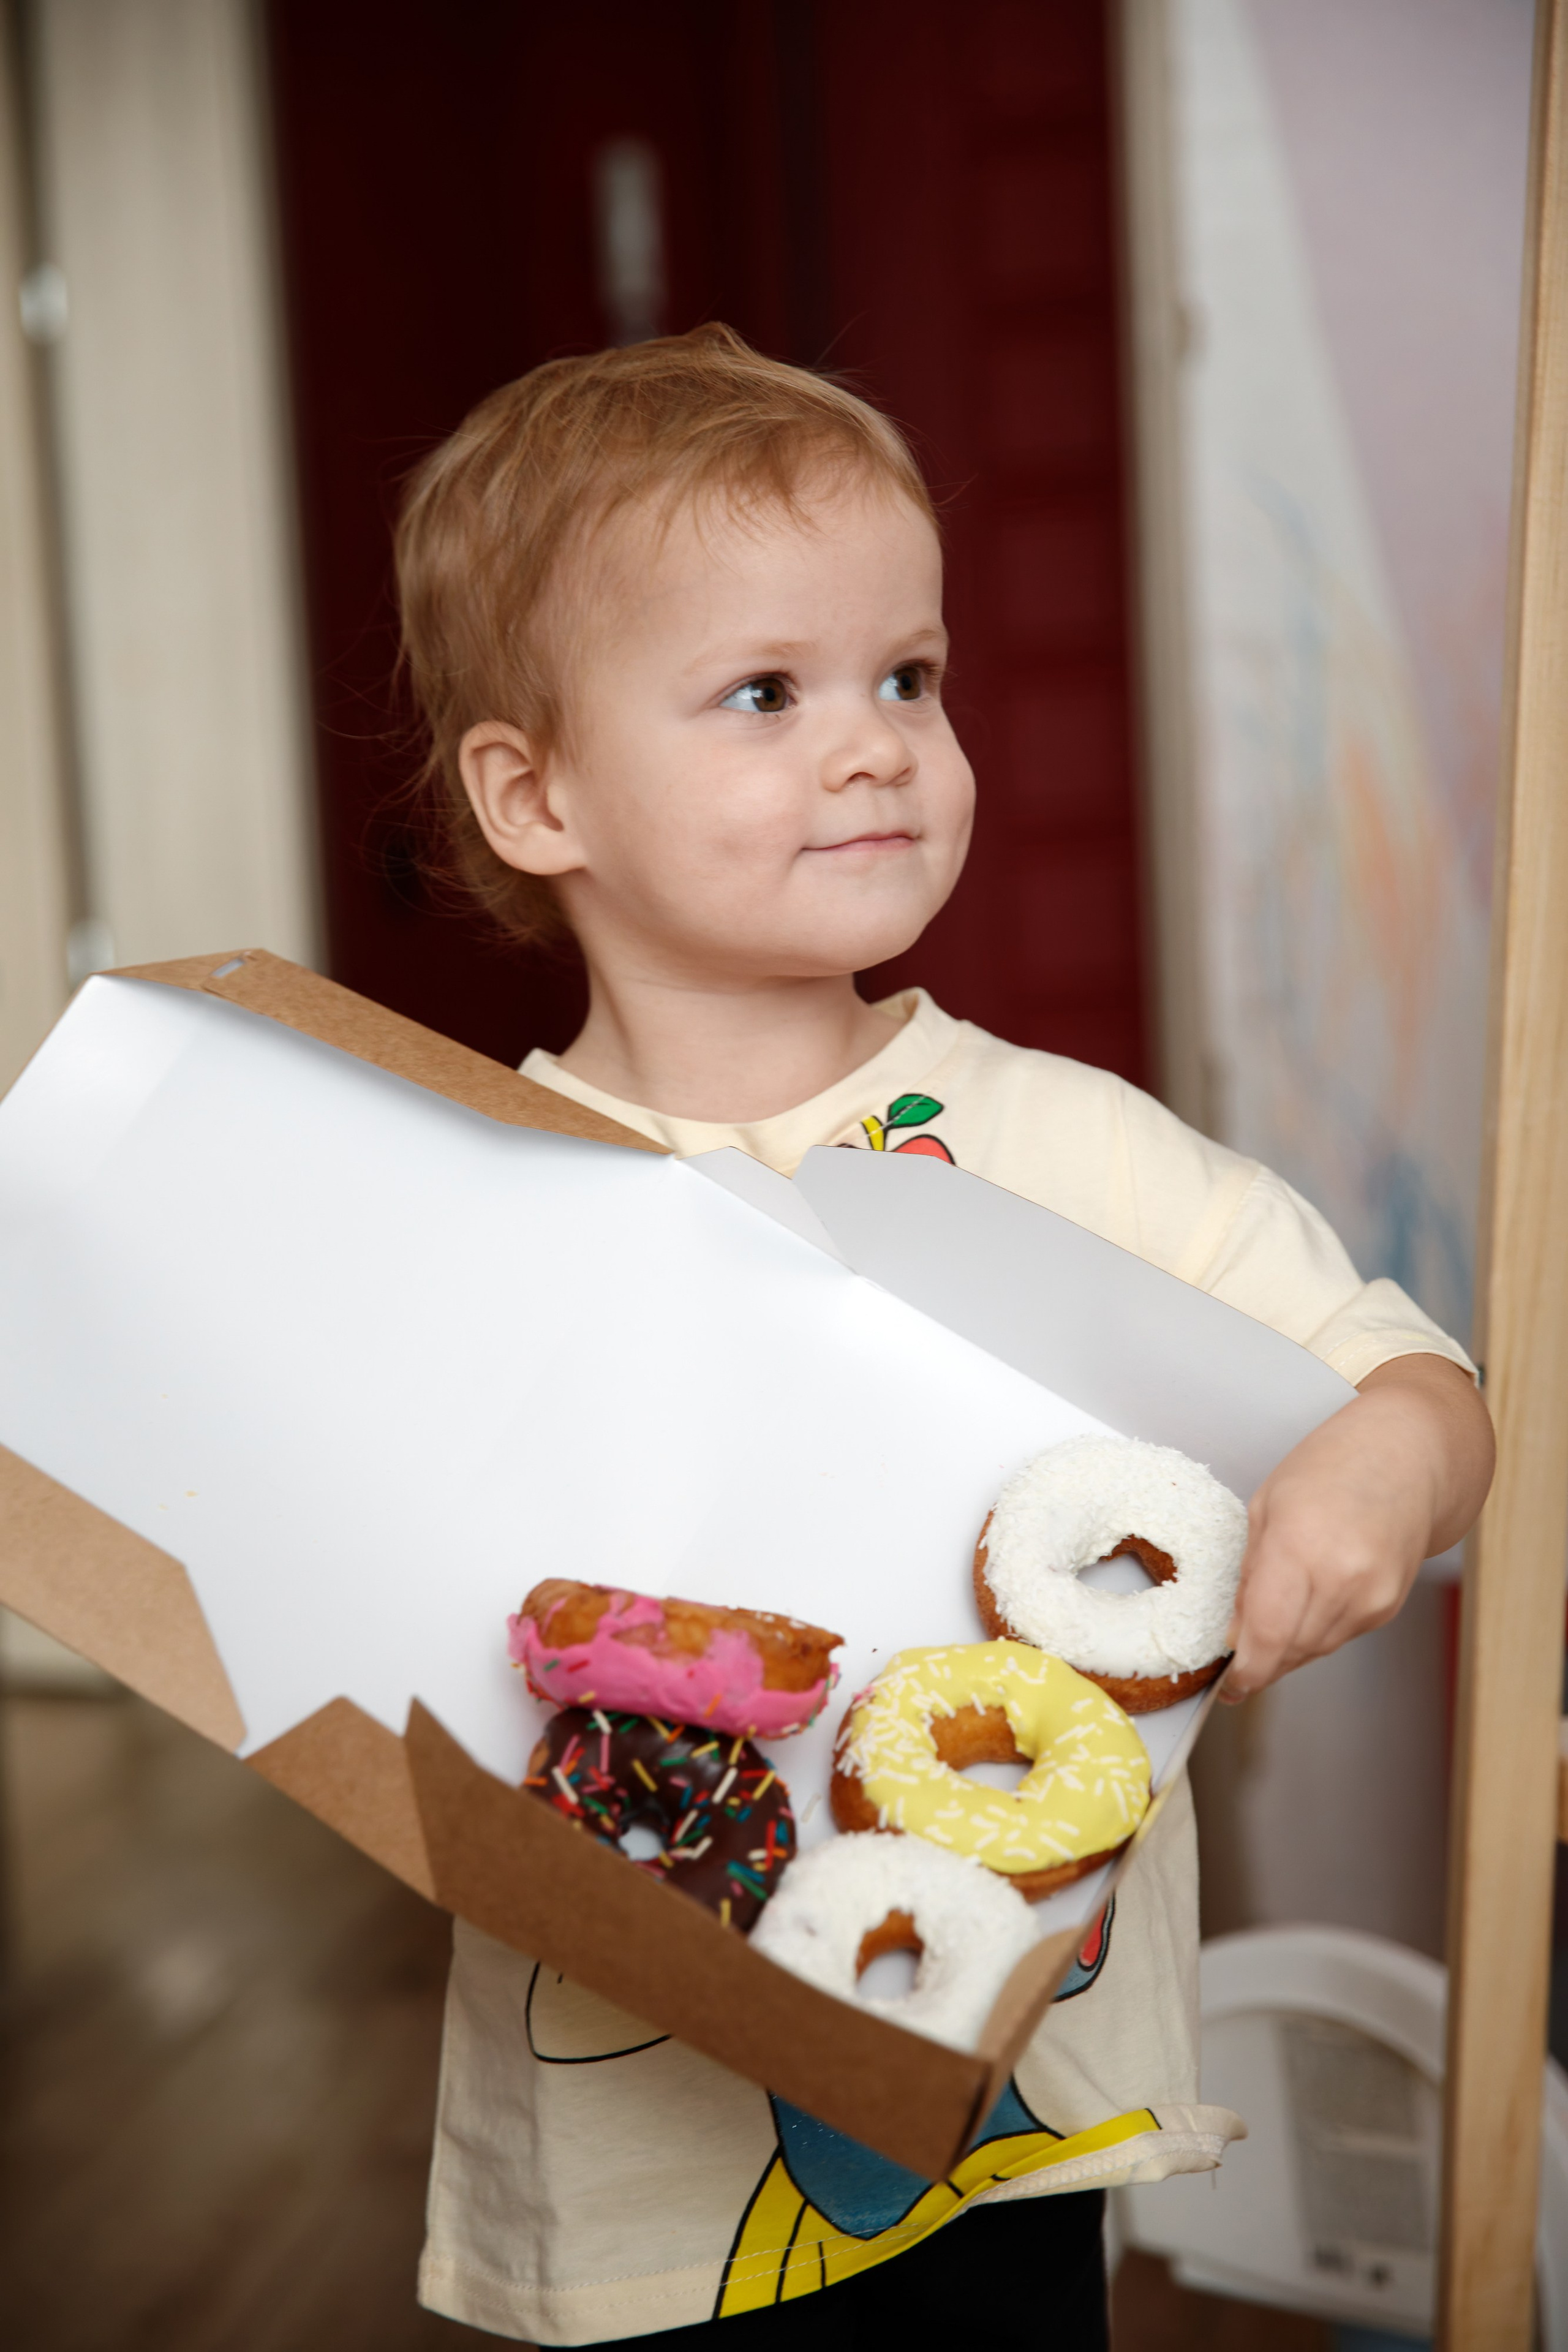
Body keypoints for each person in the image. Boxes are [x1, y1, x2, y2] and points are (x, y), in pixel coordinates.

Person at [393, 325, 1493, 2348]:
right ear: (537, 794)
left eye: (909, 674)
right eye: (765, 693)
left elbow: (1414, 1373)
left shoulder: (1052, 1144)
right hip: (641, 2162)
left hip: (1007, 2082)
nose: (877, 741)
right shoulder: (465, 1203)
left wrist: (1385, 1463)